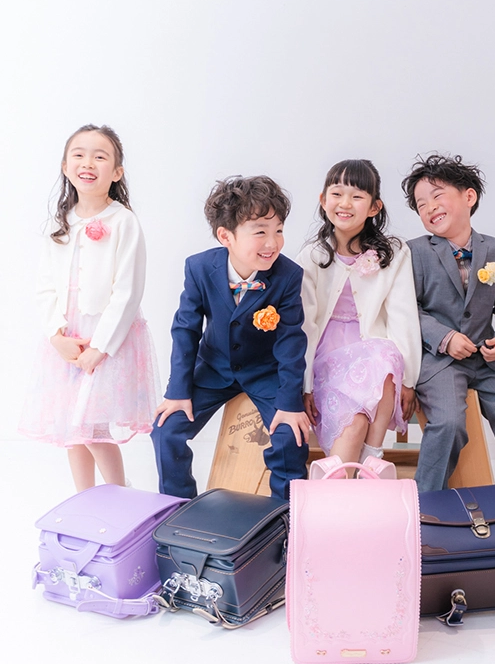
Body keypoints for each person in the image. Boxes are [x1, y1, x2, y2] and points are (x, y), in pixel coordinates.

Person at [151, 175, 309, 500]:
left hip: (266, 372)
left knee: (289, 438)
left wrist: (290, 404)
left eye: (279, 230)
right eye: (260, 232)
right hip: (213, 368)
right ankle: (177, 510)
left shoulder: (288, 275)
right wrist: (178, 391)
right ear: (226, 236)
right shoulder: (199, 268)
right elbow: (186, 330)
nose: (273, 243)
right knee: (166, 431)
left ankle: (284, 517)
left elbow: (291, 341)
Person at [20, 124, 159, 490]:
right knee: (73, 427)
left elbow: (128, 291)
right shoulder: (61, 222)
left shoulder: (123, 221)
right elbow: (45, 285)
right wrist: (56, 335)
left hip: (106, 338)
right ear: (65, 166)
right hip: (69, 338)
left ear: (116, 172)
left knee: (94, 427)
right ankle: (83, 496)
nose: (88, 163)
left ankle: (118, 492)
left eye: (100, 156)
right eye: (79, 155)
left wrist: (100, 347)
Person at [402, 153, 495, 490]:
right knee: (449, 425)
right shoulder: (414, 252)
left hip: (487, 362)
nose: (430, 207)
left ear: (469, 196)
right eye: (421, 204)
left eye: (437, 196)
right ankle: (424, 501)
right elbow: (407, 309)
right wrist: (445, 337)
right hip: (440, 363)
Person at [298, 159, 421, 464]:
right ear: (323, 200)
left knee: (383, 353)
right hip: (326, 357)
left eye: (356, 196)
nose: (345, 204)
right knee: (353, 427)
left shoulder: (394, 252)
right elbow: (305, 325)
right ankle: (358, 473)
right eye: (337, 194)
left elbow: (403, 316)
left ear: (374, 207)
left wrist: (409, 380)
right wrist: (305, 384)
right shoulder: (312, 256)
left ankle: (372, 455)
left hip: (376, 359)